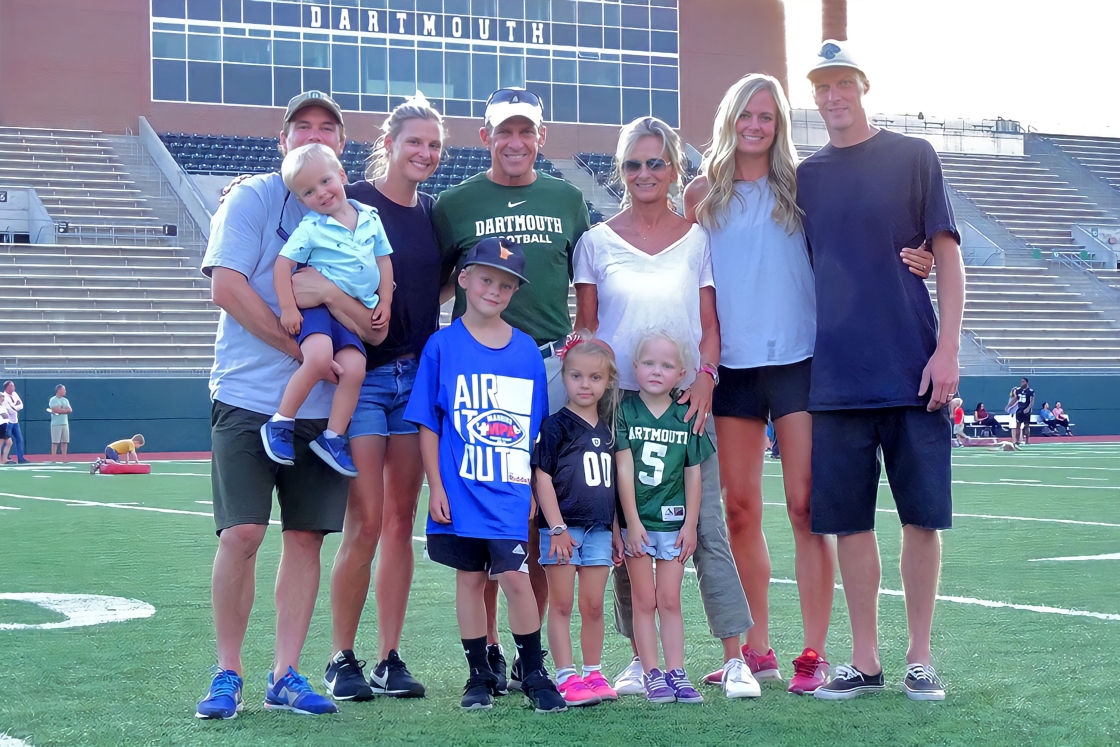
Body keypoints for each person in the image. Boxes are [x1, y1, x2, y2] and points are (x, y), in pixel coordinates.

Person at [684, 74, 935, 695]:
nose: (756, 125)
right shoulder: (701, 195)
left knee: (804, 508)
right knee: (739, 510)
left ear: (780, 124)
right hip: (733, 369)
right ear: (729, 119)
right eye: (747, 114)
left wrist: (922, 249)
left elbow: (859, 237)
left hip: (800, 360)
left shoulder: (802, 186)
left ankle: (815, 653)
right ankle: (758, 649)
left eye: (768, 116)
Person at [195, 91, 385, 720]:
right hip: (251, 394)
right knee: (244, 532)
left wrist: (331, 294)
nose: (316, 135)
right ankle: (228, 671)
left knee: (307, 539)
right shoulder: (253, 197)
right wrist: (305, 349)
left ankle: (285, 673)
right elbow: (227, 286)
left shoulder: (355, 217)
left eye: (328, 128)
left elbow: (373, 326)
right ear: (283, 142)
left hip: (322, 408)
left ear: (342, 146)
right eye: (302, 126)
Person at [796, 40, 965, 702]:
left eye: (843, 83)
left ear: (863, 87)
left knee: (922, 517)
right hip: (835, 379)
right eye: (822, 87)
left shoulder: (913, 157)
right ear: (814, 97)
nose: (833, 95)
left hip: (913, 368)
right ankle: (864, 661)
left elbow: (946, 256)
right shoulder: (806, 176)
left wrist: (947, 349)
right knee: (850, 523)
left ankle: (919, 656)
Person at [573, 116, 759, 699]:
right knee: (629, 537)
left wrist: (705, 378)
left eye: (656, 162)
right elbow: (586, 327)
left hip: (684, 406)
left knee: (705, 532)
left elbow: (709, 326)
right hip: (619, 409)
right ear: (620, 170)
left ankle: (735, 656)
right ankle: (642, 658)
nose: (645, 173)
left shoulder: (697, 238)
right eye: (633, 163)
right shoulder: (595, 242)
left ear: (676, 168)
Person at [290, 94, 451, 702]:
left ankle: (389, 656)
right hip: (365, 378)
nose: (425, 153)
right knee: (365, 519)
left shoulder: (432, 214)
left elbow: (431, 283)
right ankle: (342, 656)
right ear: (388, 144)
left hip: (417, 379)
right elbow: (300, 254)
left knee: (400, 520)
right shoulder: (347, 198)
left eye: (434, 145)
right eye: (414, 141)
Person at [432, 86, 590, 690]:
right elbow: (440, 284)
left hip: (545, 366)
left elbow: (587, 280)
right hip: (475, 377)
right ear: (486, 137)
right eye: (505, 131)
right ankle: (490, 651)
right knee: (484, 518)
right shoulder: (454, 203)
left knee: (541, 509)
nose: (516, 142)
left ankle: (537, 658)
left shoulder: (569, 199)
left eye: (527, 131)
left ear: (541, 138)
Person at [403, 237, 566, 713]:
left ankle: (534, 672)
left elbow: (533, 432)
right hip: (459, 488)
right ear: (465, 280)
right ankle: (477, 674)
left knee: (516, 577)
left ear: (514, 291)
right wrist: (436, 483)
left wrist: (535, 487)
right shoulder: (442, 345)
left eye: (506, 284)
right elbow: (430, 422)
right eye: (487, 279)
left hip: (509, 491)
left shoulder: (526, 353)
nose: (494, 290)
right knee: (470, 580)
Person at [261, 143, 394, 477]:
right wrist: (288, 308)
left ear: (342, 175)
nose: (320, 193)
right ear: (301, 200)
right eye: (308, 191)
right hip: (319, 309)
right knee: (319, 358)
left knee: (356, 368)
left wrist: (386, 301)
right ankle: (280, 422)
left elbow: (383, 260)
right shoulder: (311, 227)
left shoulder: (369, 217)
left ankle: (333, 437)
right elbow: (282, 266)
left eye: (325, 181)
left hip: (352, 311)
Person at [617, 330, 712, 705]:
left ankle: (677, 670)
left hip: (673, 524)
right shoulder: (624, 411)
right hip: (638, 523)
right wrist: (632, 522)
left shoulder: (685, 413)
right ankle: (651, 672)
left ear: (681, 373)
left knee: (670, 599)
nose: (657, 371)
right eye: (650, 363)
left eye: (667, 365)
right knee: (644, 600)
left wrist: (690, 523)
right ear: (635, 367)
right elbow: (622, 471)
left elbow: (693, 472)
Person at [534, 338, 622, 707]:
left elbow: (613, 486)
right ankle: (566, 675)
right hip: (564, 529)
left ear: (607, 382)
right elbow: (542, 477)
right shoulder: (555, 426)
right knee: (562, 604)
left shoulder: (609, 430)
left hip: (600, 529)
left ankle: (593, 671)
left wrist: (616, 532)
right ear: (564, 377)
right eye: (576, 376)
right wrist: (556, 527)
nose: (585, 384)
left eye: (594, 377)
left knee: (593, 605)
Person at [2, 381, 27, 464]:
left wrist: (15, 407)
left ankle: (20, 458)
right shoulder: (3, 396)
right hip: (7, 422)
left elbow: (21, 405)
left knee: (19, 439)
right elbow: (10, 410)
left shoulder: (15, 394)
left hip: (15, 421)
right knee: (5, 441)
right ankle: (6, 457)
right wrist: (16, 407)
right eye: (11, 385)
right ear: (7, 387)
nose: (13, 387)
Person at [48, 384, 72, 462]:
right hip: (56, 424)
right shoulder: (53, 400)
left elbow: (69, 410)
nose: (65, 391)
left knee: (65, 442)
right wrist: (64, 411)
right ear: (59, 390)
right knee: (55, 442)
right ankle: (53, 459)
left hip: (65, 423)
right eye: (63, 389)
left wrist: (62, 411)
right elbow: (56, 409)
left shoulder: (66, 400)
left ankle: (64, 459)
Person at [1012, 377, 1035, 445]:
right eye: (1021, 381)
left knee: (1026, 425)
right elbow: (1015, 399)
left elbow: (1032, 401)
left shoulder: (1030, 391)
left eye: (1023, 381)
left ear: (1026, 382)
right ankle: (1017, 441)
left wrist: (1028, 408)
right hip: (1019, 409)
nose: (1022, 383)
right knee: (1018, 425)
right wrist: (1009, 406)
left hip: (1026, 410)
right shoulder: (1018, 390)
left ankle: (1027, 440)